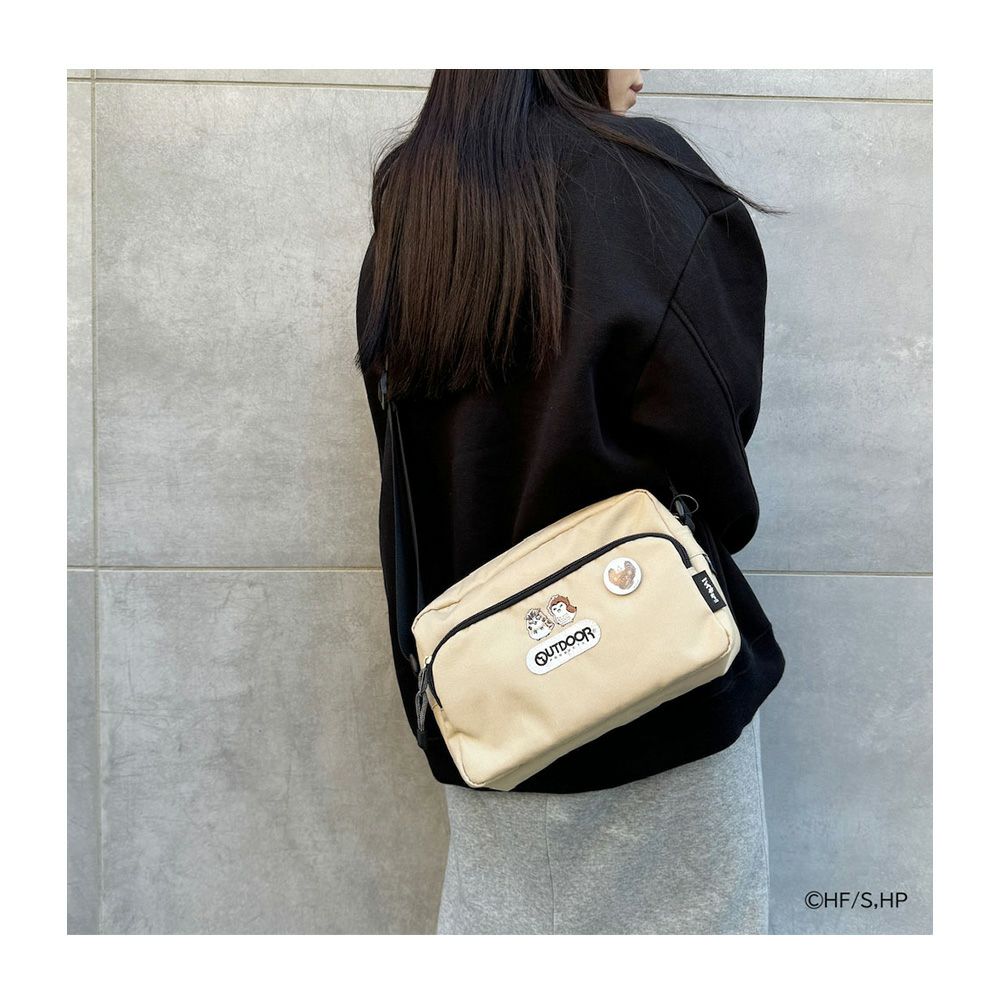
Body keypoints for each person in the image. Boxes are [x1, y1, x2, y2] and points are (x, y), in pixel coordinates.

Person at [354, 69, 787, 934]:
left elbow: (410, 458)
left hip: (494, 708)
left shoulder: (419, 204)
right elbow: (713, 454)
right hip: (660, 685)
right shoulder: (648, 180)